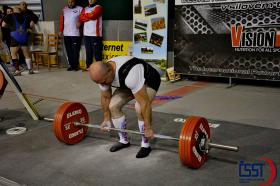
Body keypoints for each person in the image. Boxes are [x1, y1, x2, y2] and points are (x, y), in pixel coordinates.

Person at [89, 56, 161, 158]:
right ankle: (123, 140)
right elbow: (105, 97)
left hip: (149, 80)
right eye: (100, 83)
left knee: (139, 108)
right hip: (128, 84)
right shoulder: (103, 75)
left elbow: (144, 103)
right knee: (113, 106)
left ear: (110, 71)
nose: (103, 84)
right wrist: (106, 118)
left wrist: (148, 127)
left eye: (104, 81)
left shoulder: (130, 74)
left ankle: (145, 145)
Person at [1, 7, 35, 75]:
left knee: (13, 54)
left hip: (15, 37)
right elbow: (31, 25)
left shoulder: (9, 16)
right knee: (26, 54)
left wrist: (10, 26)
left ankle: (17, 70)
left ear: (13, 11)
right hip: (24, 37)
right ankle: (30, 70)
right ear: (20, 11)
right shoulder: (26, 17)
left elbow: (3, 25)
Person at [59, 0, 82, 71]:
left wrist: (80, 22)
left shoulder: (80, 9)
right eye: (69, 2)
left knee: (75, 51)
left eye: (72, 2)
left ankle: (76, 65)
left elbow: (83, 18)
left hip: (75, 34)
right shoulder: (64, 10)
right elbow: (61, 21)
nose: (70, 3)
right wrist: (60, 30)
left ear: (75, 2)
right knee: (69, 51)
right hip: (66, 34)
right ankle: (71, 65)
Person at [79, 0, 103, 70]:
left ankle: (100, 68)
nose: (91, 0)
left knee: (97, 52)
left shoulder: (98, 7)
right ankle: (88, 66)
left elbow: (93, 15)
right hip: (86, 34)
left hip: (95, 34)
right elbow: (81, 17)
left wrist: (86, 16)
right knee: (88, 51)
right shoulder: (85, 8)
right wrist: (89, 16)